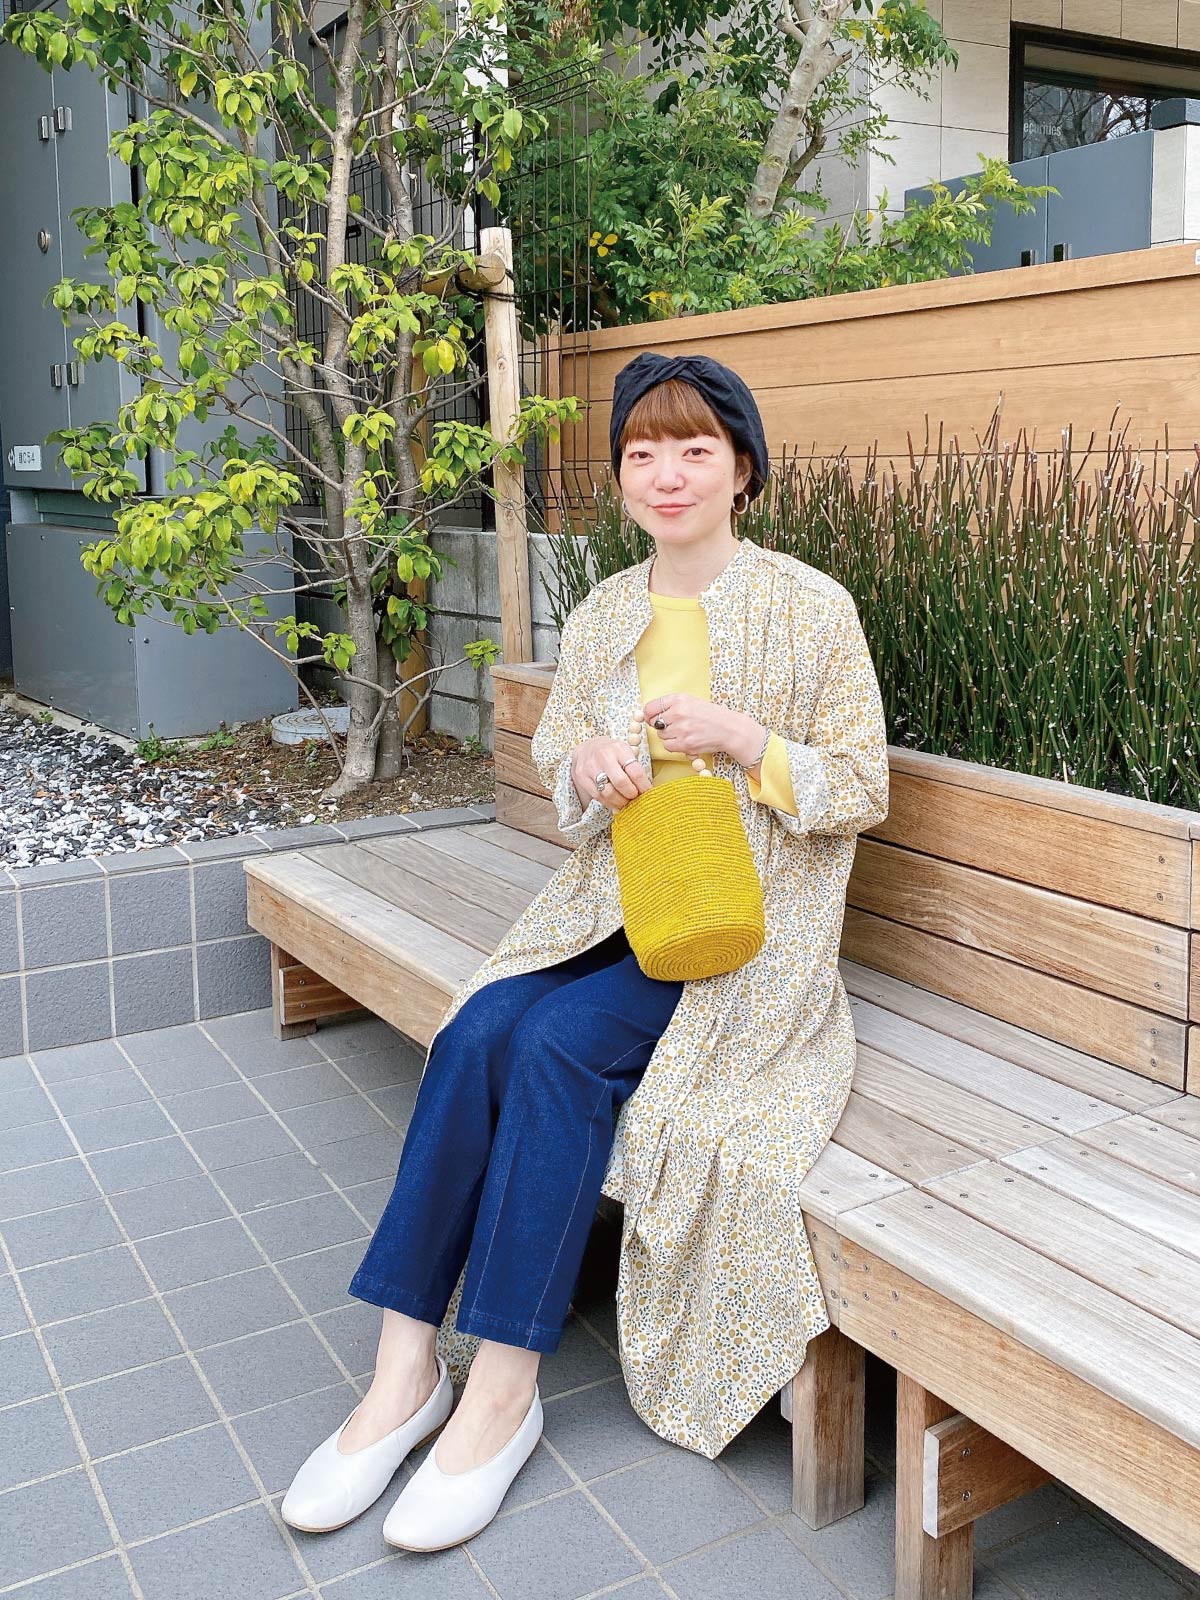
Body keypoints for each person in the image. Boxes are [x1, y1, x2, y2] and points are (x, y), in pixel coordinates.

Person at [280, 351, 889, 1553]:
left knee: (555, 1043)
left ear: (744, 471)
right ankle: (402, 1377)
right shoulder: (608, 607)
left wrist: (748, 739)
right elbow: (564, 772)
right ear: (620, 478)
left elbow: (864, 784)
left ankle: (501, 1396)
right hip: (614, 908)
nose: (668, 475)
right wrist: (592, 767)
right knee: (477, 1027)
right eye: (642, 453)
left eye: (696, 450)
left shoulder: (812, 606)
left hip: (748, 939)